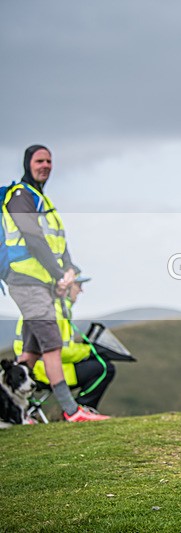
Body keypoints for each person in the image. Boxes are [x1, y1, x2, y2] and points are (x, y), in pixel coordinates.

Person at [2, 145, 108, 422]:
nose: (45, 165)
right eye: (40, 160)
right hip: (26, 280)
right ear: (28, 163)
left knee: (31, 351)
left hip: (42, 283)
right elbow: (34, 238)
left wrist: (69, 268)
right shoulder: (21, 196)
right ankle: (71, 411)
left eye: (49, 161)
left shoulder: (41, 200)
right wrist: (59, 273)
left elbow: (58, 242)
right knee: (51, 343)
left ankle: (14, 412)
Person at [13, 275, 116, 412]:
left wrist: (86, 350)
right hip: (42, 371)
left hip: (36, 368)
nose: (81, 290)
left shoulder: (53, 308)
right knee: (104, 368)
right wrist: (89, 350)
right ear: (65, 288)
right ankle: (81, 409)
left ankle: (77, 410)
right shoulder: (53, 312)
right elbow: (55, 351)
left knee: (99, 363)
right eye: (78, 285)